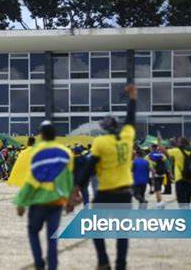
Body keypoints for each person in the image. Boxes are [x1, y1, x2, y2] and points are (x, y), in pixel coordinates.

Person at [69, 84, 137, 270]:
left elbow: (90, 167)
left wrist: (76, 188)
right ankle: (120, 265)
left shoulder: (100, 142)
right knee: (123, 233)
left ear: (105, 129)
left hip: (106, 192)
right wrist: (133, 98)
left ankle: (103, 260)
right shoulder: (127, 137)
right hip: (125, 193)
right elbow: (131, 119)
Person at [13, 121, 74, 270]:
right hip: (57, 202)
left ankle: (39, 263)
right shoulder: (66, 153)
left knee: (33, 231)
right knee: (52, 237)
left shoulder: (36, 151)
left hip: (38, 201)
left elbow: (31, 179)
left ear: (42, 135)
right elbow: (68, 179)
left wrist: (21, 202)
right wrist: (69, 200)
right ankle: (52, 266)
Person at [161, 137, 191, 208]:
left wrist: (160, 142)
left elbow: (164, 151)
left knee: (182, 202)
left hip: (180, 179)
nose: (177, 143)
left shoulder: (177, 151)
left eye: (178, 142)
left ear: (181, 143)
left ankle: (185, 216)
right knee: (188, 200)